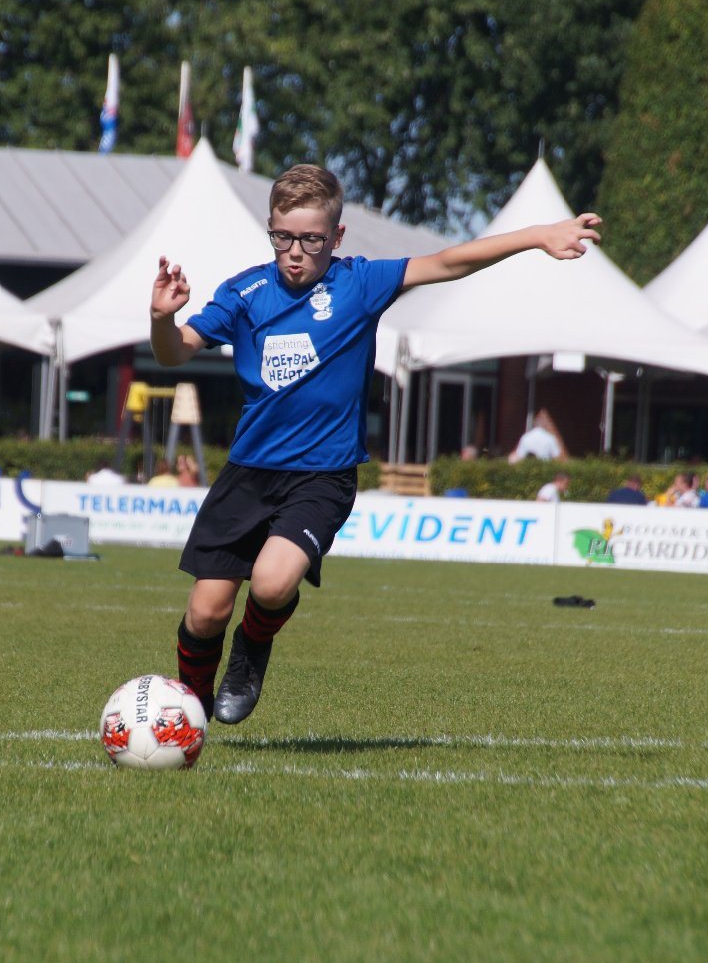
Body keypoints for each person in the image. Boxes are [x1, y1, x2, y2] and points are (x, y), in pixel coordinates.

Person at [150, 163, 601, 724]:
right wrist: (161, 319)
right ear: (270, 229)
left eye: (312, 239)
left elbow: (448, 261)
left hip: (322, 477)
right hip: (248, 473)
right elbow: (174, 352)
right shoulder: (245, 292)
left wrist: (537, 235)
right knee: (204, 613)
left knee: (270, 583)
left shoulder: (359, 284)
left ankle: (251, 650)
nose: (295, 252)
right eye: (283, 237)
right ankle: (188, 712)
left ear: (336, 237)